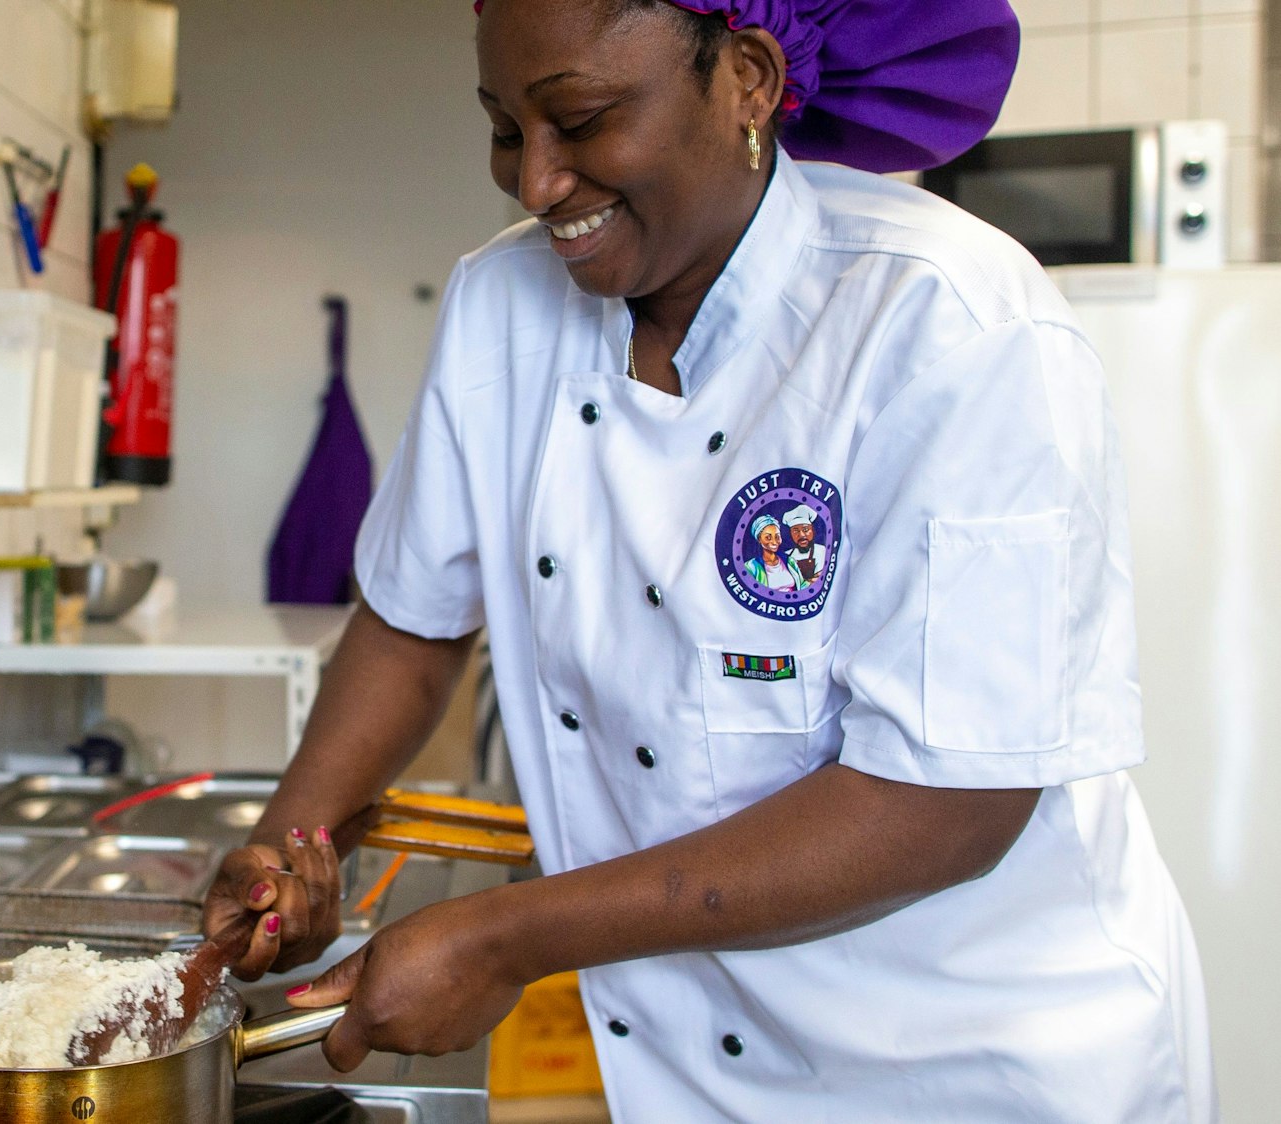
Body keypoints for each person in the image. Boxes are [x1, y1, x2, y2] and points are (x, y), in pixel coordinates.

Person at [200, 0, 1215, 1120]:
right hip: (695, 1075)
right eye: (502, 127)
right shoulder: (501, 305)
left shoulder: (952, 324)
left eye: (578, 120)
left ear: (748, 80)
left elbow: (950, 801)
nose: (535, 183)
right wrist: (284, 842)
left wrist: (502, 938)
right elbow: (413, 618)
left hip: (975, 1064)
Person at [741, 513, 801, 591]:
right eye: (768, 537)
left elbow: (802, 585)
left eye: (777, 537)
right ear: (759, 539)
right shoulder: (751, 567)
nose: (774, 542)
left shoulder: (790, 561)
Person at [781, 503, 827, 584]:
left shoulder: (821, 551)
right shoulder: (787, 555)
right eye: (796, 531)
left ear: (812, 530)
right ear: (791, 533)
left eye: (805, 530)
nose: (801, 535)